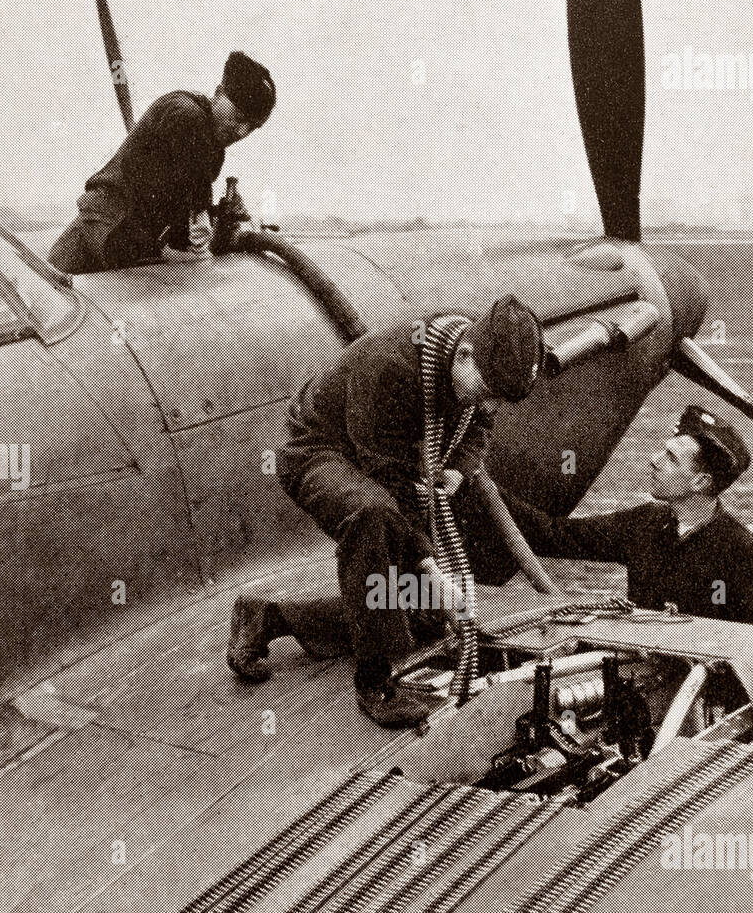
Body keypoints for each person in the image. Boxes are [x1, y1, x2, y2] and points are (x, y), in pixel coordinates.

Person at [228, 296, 545, 726]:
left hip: (379, 462)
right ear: (467, 355)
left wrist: (458, 467)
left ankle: (269, 617)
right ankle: (375, 683)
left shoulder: (467, 355)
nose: (491, 406)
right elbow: (391, 485)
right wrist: (434, 569)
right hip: (321, 452)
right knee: (372, 515)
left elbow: (478, 422)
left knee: (423, 616)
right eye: (489, 393)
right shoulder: (392, 367)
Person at [502, 405, 753, 629]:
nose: (653, 461)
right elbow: (553, 535)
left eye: (670, 458)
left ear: (700, 482)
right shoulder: (645, 522)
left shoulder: (739, 550)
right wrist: (476, 485)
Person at [48, 52, 275, 274]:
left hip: (123, 234)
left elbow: (184, 203)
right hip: (106, 227)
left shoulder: (213, 149)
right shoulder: (187, 114)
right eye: (238, 117)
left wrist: (216, 219)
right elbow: (180, 205)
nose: (242, 131)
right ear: (218, 92)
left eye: (252, 127)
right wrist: (197, 220)